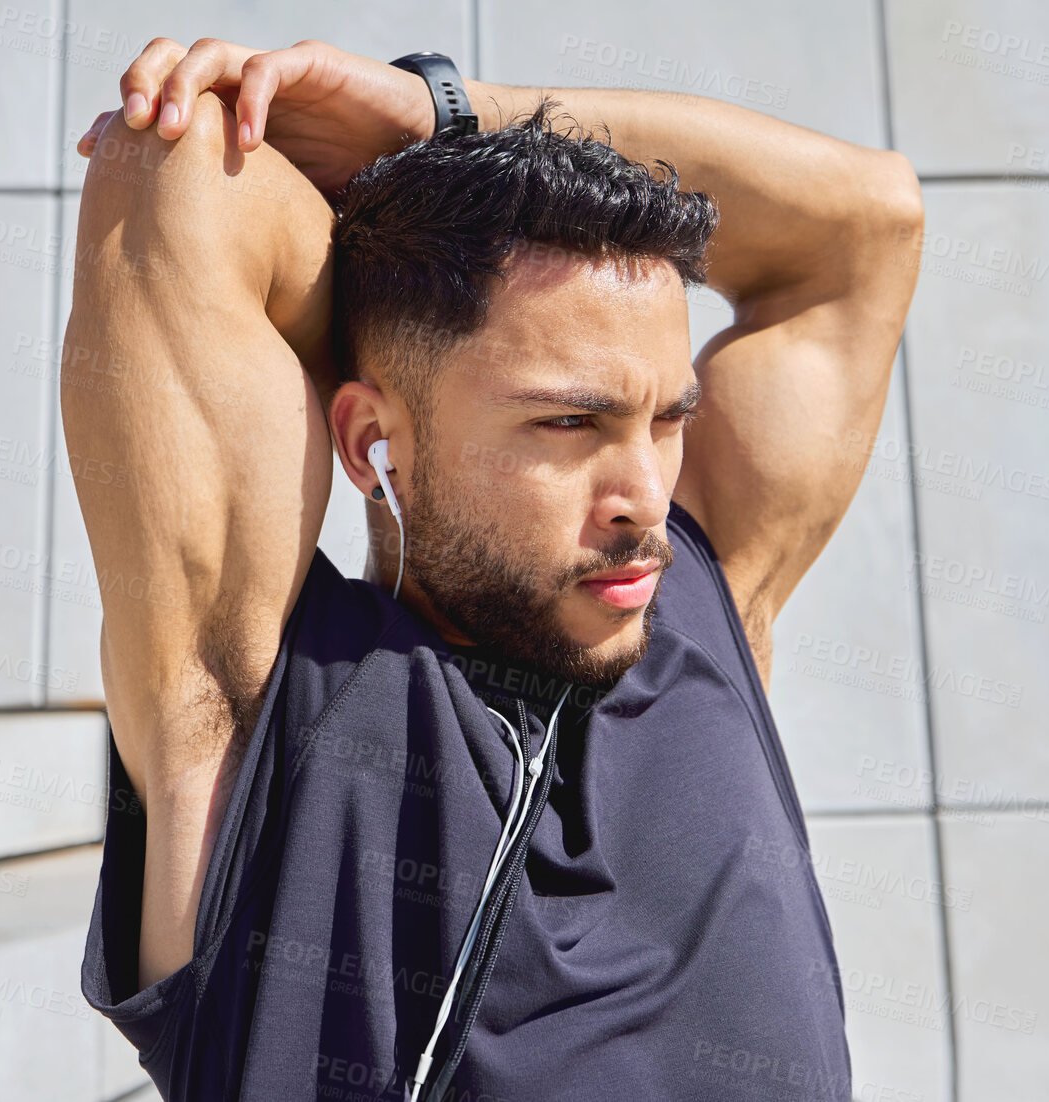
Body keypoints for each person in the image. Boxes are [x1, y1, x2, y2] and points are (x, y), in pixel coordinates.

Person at [61, 36, 922, 1102]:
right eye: (568, 420)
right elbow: (177, 165)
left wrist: (448, 117)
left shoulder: (701, 600)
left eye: (662, 419)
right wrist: (410, 249)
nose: (641, 496)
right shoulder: (253, 717)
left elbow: (866, 225)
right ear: (373, 436)